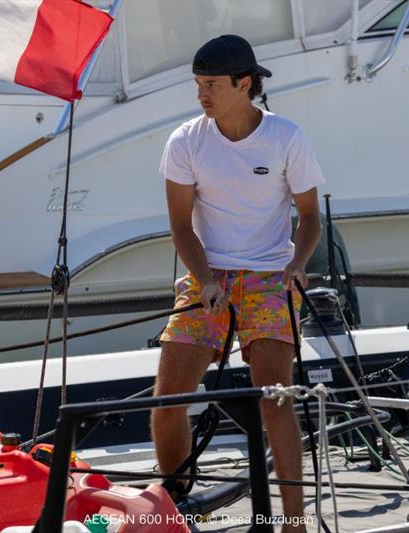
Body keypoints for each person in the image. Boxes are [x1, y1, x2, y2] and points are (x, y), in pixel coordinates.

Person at [150, 34, 324, 530]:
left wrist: (297, 263)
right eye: (197, 84)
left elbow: (310, 217)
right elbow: (181, 227)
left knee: (275, 398)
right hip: (208, 276)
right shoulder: (185, 140)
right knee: (168, 400)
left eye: (211, 85)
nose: (200, 94)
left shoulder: (287, 136)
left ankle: (293, 524)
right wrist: (205, 280)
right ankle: (176, 506)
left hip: (271, 275)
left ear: (244, 84)